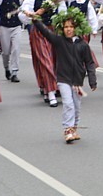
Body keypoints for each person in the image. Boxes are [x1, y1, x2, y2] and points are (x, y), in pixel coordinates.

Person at [32, 12, 97, 143]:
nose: (68, 29)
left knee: (77, 106)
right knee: (68, 104)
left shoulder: (83, 45)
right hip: (63, 79)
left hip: (77, 81)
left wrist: (92, 80)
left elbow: (89, 63)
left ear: (76, 28)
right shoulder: (59, 41)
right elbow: (46, 33)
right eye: (66, 27)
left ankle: (74, 128)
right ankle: (67, 129)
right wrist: (35, 20)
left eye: (71, 27)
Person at [18, 0, 66, 106]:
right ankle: (51, 92)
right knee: (45, 61)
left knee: (56, 60)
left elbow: (63, 12)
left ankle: (48, 87)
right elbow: (23, 14)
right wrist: (30, 14)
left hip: (55, 31)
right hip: (39, 31)